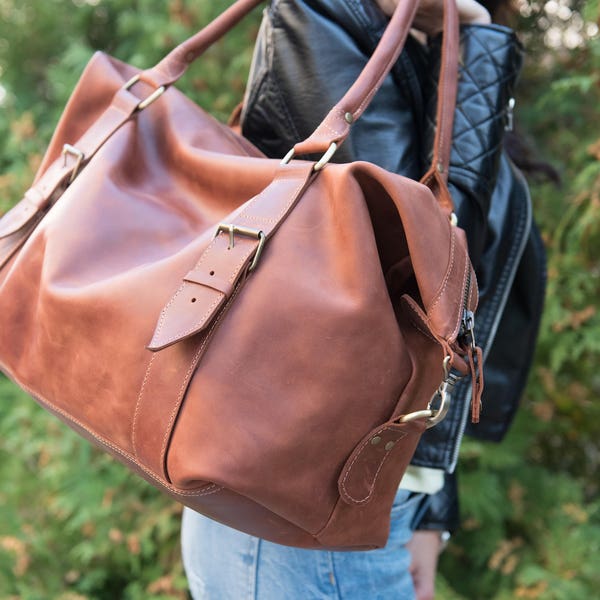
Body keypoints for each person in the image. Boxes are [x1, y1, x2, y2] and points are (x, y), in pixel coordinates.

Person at [181, 0, 546, 598]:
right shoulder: (319, 18)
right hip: (297, 511)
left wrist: (431, 511)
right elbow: (425, 260)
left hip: (359, 499)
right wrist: (477, 43)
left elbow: (442, 336)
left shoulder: (424, 44)